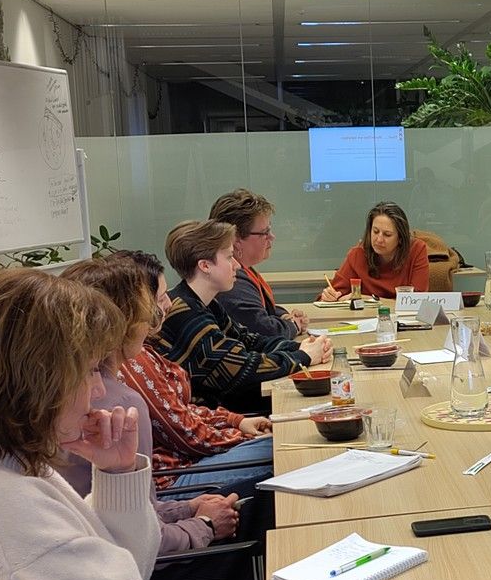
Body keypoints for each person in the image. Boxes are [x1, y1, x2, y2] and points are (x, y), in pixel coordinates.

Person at [0, 269, 264, 580]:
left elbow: (127, 575)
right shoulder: (11, 506)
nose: (99, 389)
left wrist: (118, 477)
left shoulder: (12, 465)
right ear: (38, 379)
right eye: (90, 370)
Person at [57, 258, 242, 554]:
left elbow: (128, 514)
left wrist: (188, 509)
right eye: (156, 302)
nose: (164, 310)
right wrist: (205, 524)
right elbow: (138, 540)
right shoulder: (119, 401)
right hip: (151, 571)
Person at [113, 250, 274, 497]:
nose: (168, 303)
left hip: (187, 461)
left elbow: (180, 409)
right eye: (160, 297)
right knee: (280, 448)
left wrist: (235, 421)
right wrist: (238, 433)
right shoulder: (134, 360)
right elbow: (184, 432)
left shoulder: (144, 347)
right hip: (173, 479)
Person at [155, 219, 332, 413]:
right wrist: (302, 356)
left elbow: (249, 340)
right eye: (230, 257)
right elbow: (241, 369)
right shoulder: (184, 312)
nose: (237, 265)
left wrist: (303, 347)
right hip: (215, 419)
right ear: (205, 266)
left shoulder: (206, 303)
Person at [210, 188, 308, 339]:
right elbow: (264, 330)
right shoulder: (232, 280)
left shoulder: (245, 271)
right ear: (236, 240)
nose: (272, 237)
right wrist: (294, 325)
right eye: (264, 232)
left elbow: (262, 311)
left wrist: (284, 316)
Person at [318, 201, 430, 300]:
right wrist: (328, 296)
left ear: (400, 238)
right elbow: (334, 295)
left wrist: (370, 299)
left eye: (387, 234)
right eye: (375, 231)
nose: (379, 239)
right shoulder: (358, 254)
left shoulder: (416, 250)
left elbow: (417, 300)